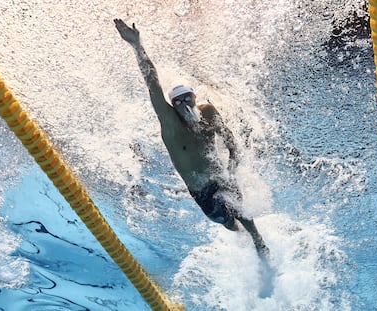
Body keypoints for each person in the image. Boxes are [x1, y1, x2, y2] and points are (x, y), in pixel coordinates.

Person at [114, 19, 268, 256]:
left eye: (188, 98)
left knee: (239, 208)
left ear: (194, 98)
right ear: (172, 106)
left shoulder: (207, 112)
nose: (184, 104)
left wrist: (233, 163)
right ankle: (240, 236)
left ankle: (258, 241)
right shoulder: (170, 125)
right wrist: (137, 46)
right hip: (200, 190)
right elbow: (153, 84)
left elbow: (229, 138)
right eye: (178, 102)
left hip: (220, 176)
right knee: (227, 222)